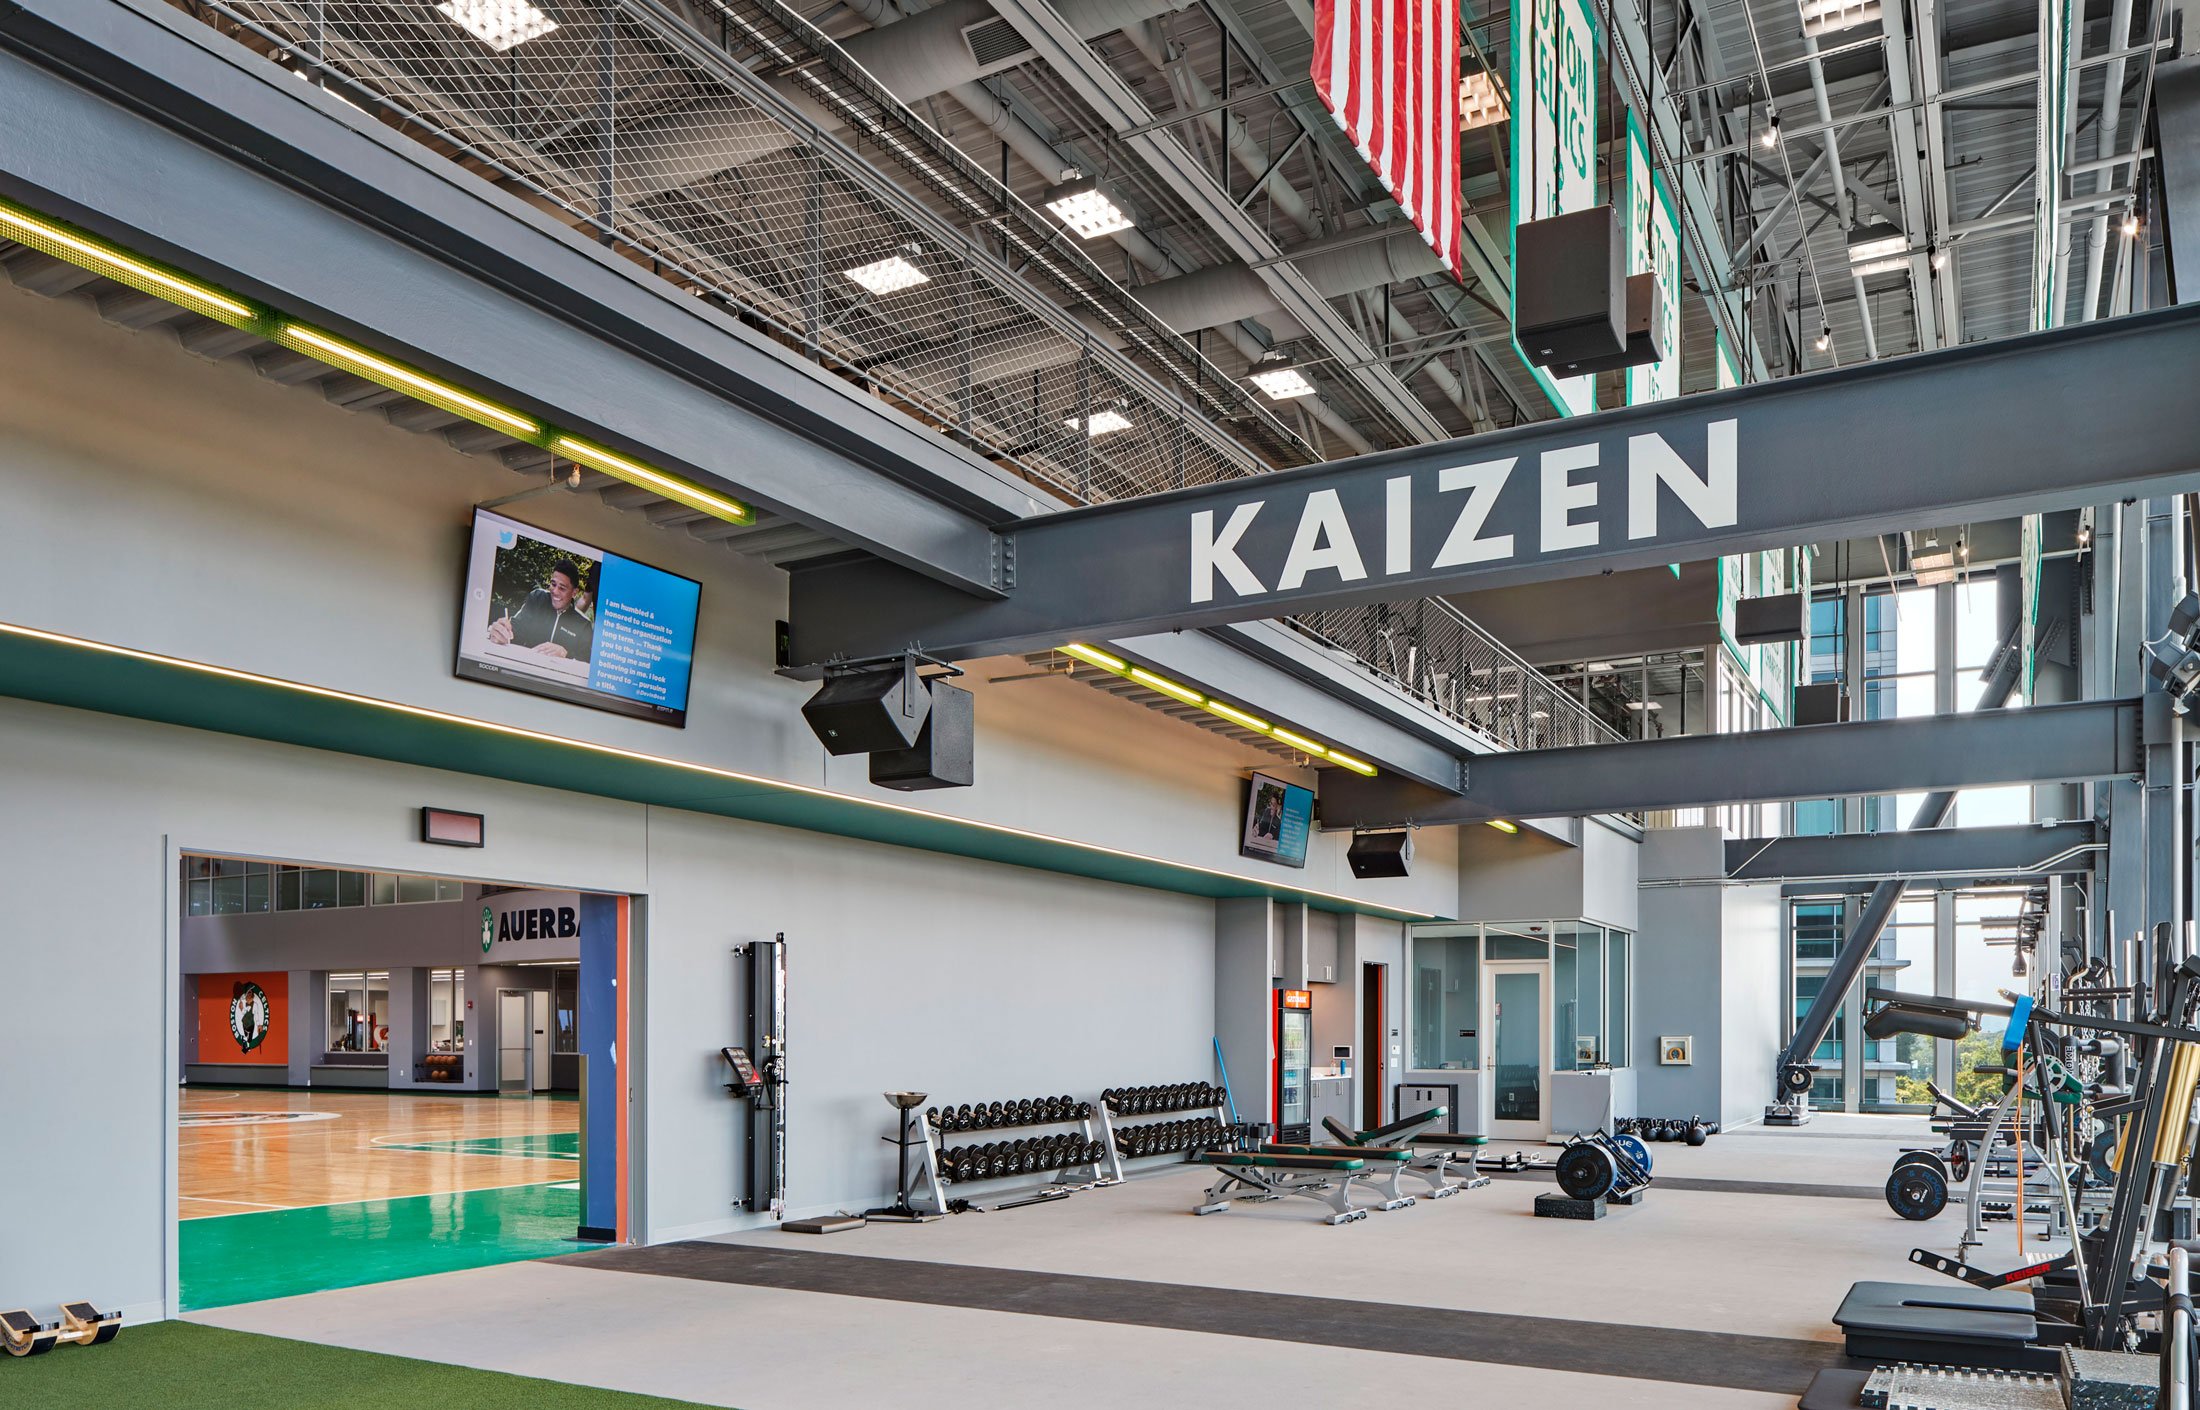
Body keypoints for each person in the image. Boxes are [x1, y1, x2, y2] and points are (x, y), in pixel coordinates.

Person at [488, 557, 595, 663]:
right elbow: (516, 629)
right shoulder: (537, 598)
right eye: (553, 584)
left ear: (574, 593)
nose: (555, 591)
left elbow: (586, 662)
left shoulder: (583, 625)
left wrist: (566, 653)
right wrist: (502, 632)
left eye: (562, 588)